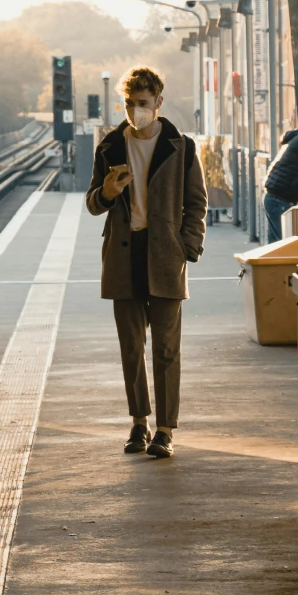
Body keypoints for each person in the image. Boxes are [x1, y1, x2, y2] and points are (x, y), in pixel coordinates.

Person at [86, 65, 206, 460]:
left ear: (158, 102)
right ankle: (139, 422)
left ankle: (165, 430)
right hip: (123, 256)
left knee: (167, 349)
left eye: (141, 103)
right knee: (131, 348)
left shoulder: (181, 146)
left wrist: (186, 247)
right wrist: (105, 192)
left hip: (165, 256)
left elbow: (197, 203)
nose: (134, 111)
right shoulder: (109, 147)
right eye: (128, 104)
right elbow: (92, 204)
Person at [263, 122, 298, 242]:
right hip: (280, 199)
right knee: (284, 246)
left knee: (275, 246)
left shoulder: (296, 139)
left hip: (273, 197)